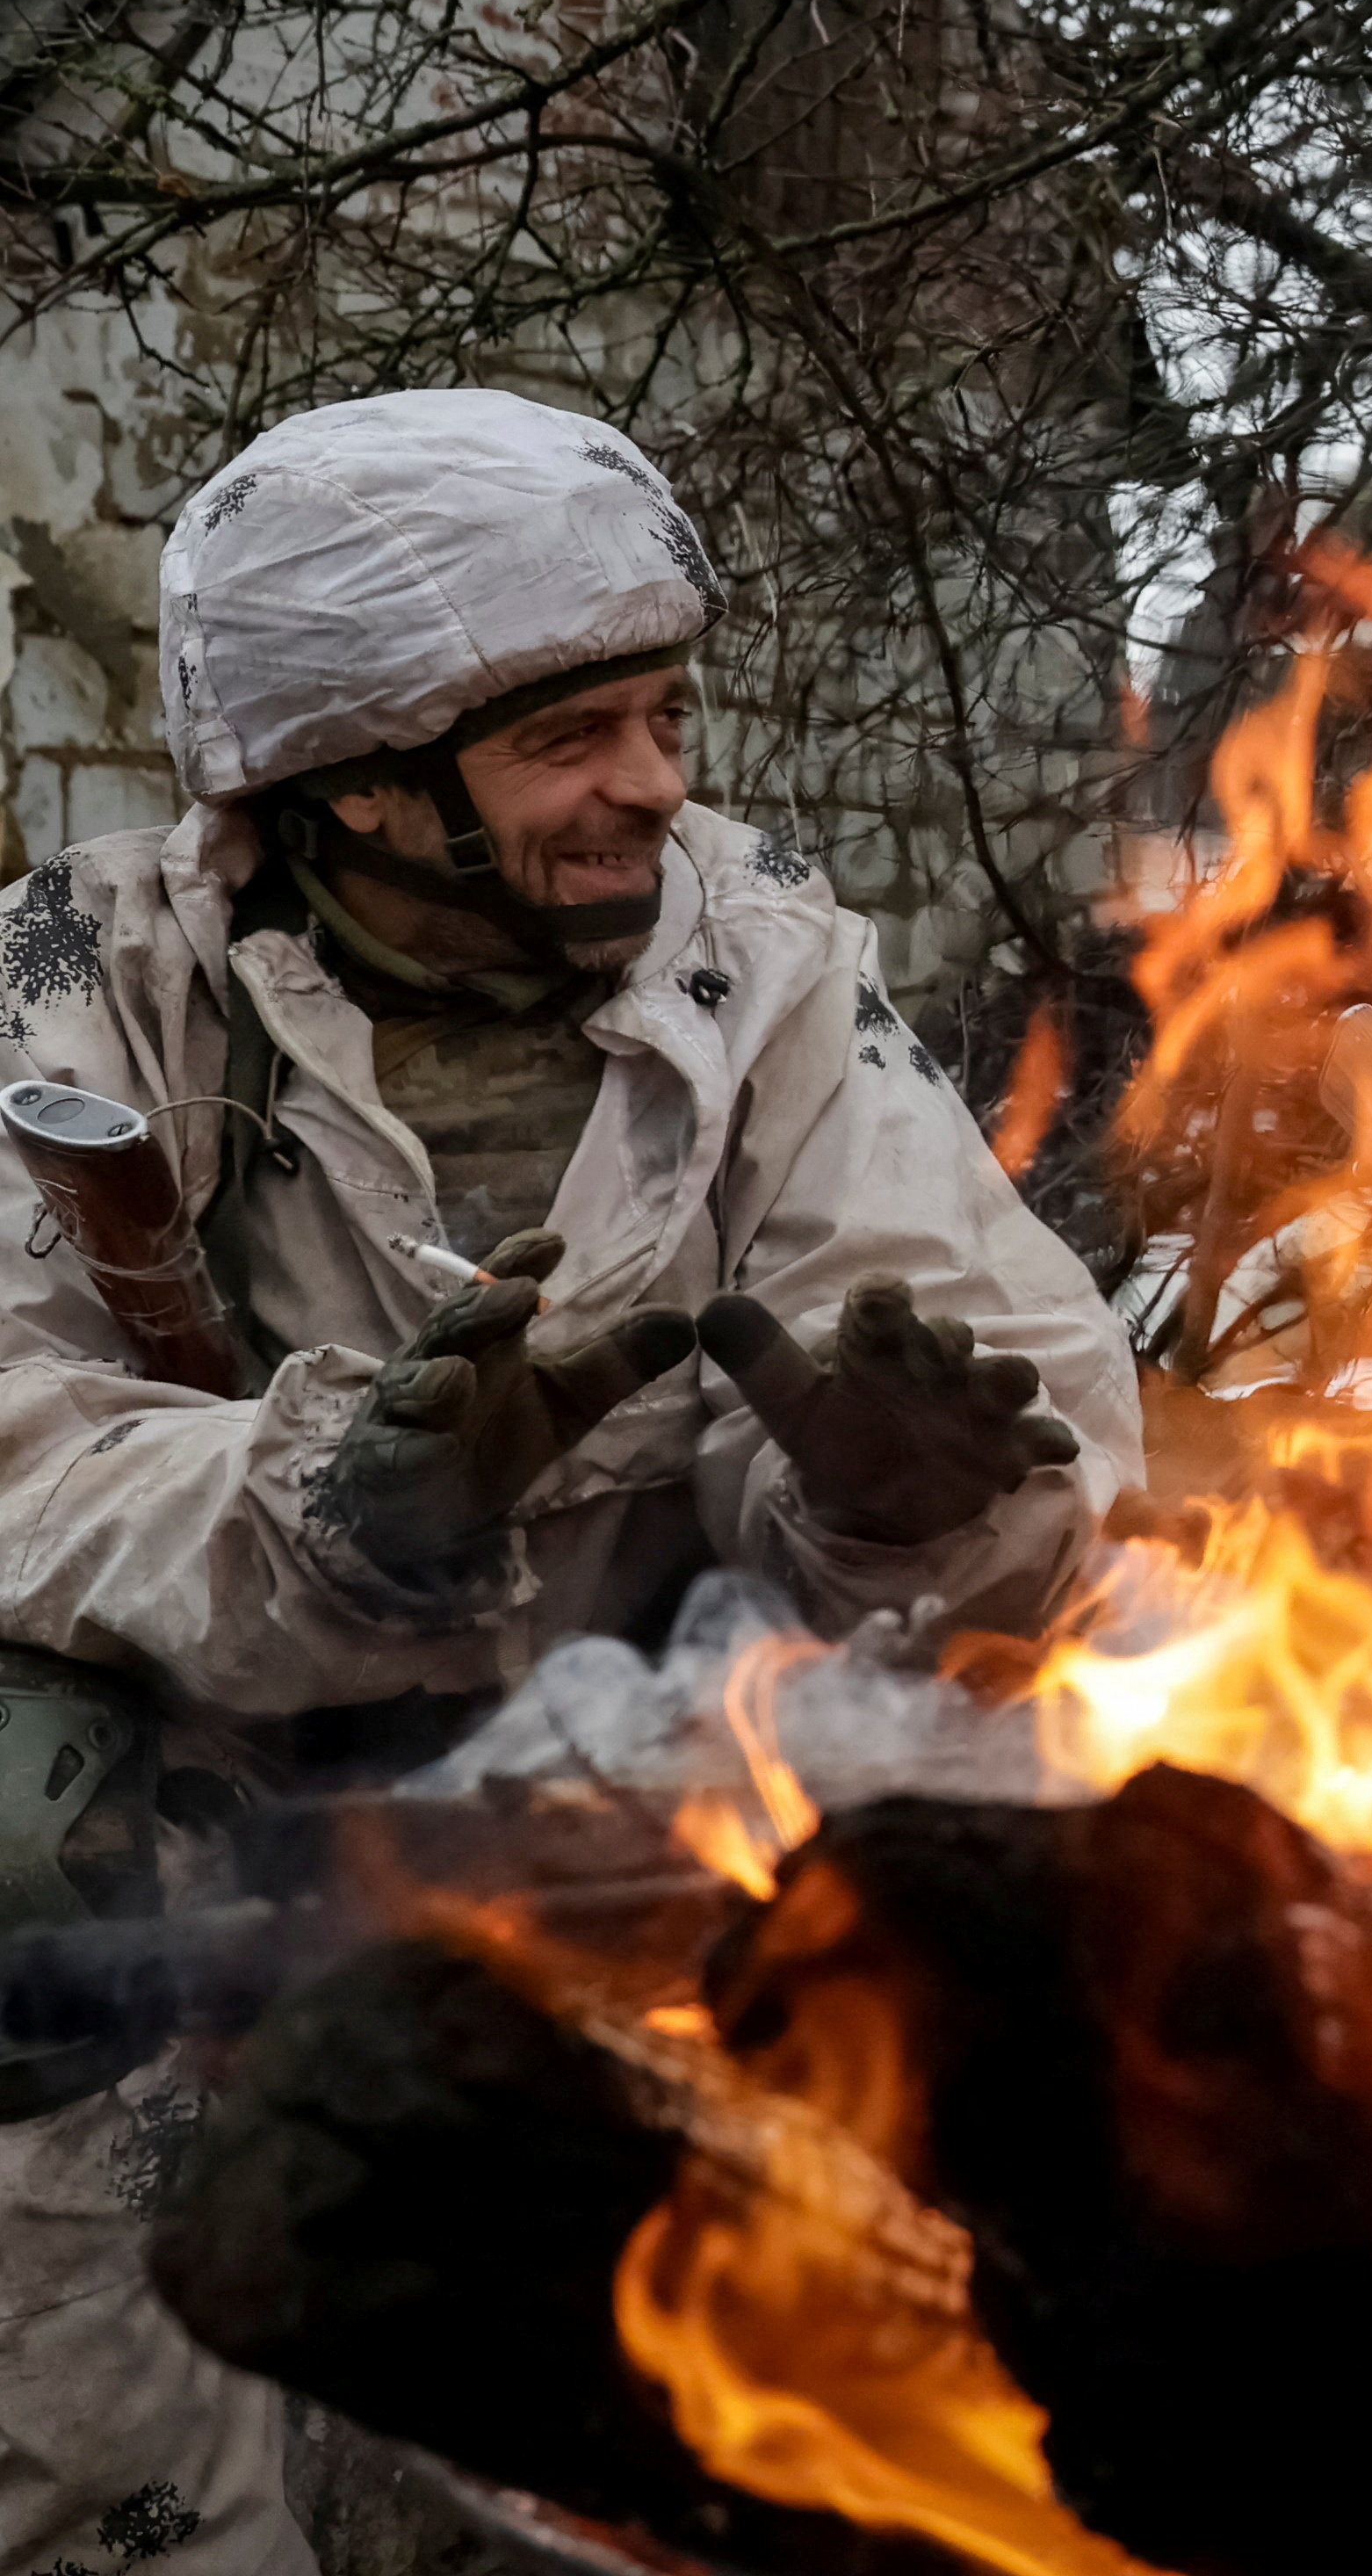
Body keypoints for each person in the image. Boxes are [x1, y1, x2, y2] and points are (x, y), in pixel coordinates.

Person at [0, 387, 1140, 2576]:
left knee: (1141, 1748)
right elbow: (24, 1438)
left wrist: (910, 1498)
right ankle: (143, 2524)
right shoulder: (81, 989)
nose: (656, 781)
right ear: (346, 778)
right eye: (572, 739)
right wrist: (333, 1505)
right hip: (237, 1746)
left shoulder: (762, 953)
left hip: (684, 1724)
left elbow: (1010, 1392)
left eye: (662, 714)